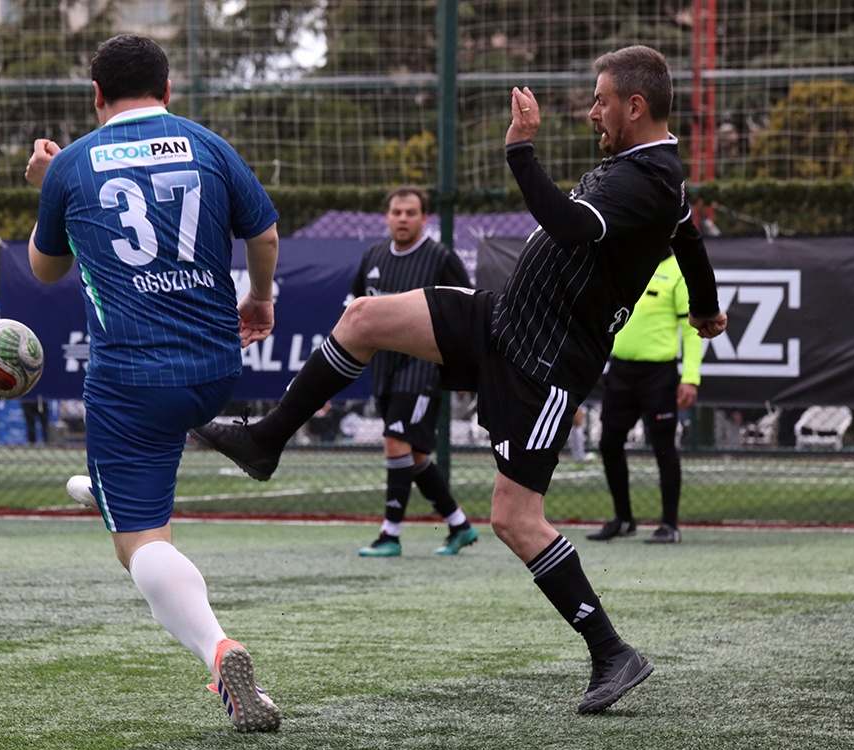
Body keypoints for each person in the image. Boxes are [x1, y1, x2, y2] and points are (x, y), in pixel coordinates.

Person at [193, 45, 728, 714]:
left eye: (601, 101)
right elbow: (688, 238)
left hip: (544, 364)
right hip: (503, 320)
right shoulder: (649, 170)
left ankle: (611, 651)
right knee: (362, 318)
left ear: (635, 106)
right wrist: (705, 306)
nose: (593, 111)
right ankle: (267, 440)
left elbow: (568, 226)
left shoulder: (648, 176)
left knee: (514, 519)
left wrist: (520, 150)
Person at [24, 34, 282, 732]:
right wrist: (260, 300)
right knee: (139, 476)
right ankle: (104, 487)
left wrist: (48, 186)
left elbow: (45, 270)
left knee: (139, 544)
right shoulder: (207, 144)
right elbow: (263, 234)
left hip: (131, 379)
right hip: (215, 369)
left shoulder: (72, 164)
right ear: (167, 91)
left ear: (96, 96)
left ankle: (219, 651)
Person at [347, 186, 478, 558]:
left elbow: (467, 308)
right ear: (387, 217)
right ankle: (459, 525)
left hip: (423, 366)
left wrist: (463, 364)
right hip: (384, 365)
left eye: (410, 213)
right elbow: (354, 305)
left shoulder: (440, 258)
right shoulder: (373, 256)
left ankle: (390, 534)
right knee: (413, 454)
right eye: (397, 212)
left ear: (424, 218)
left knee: (395, 441)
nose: (402, 219)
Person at [588, 253, 703, 545]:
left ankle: (669, 525)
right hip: (620, 372)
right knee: (609, 443)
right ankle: (624, 519)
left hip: (658, 376)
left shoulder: (677, 271)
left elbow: (692, 330)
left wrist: (690, 377)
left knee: (663, 447)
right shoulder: (626, 262)